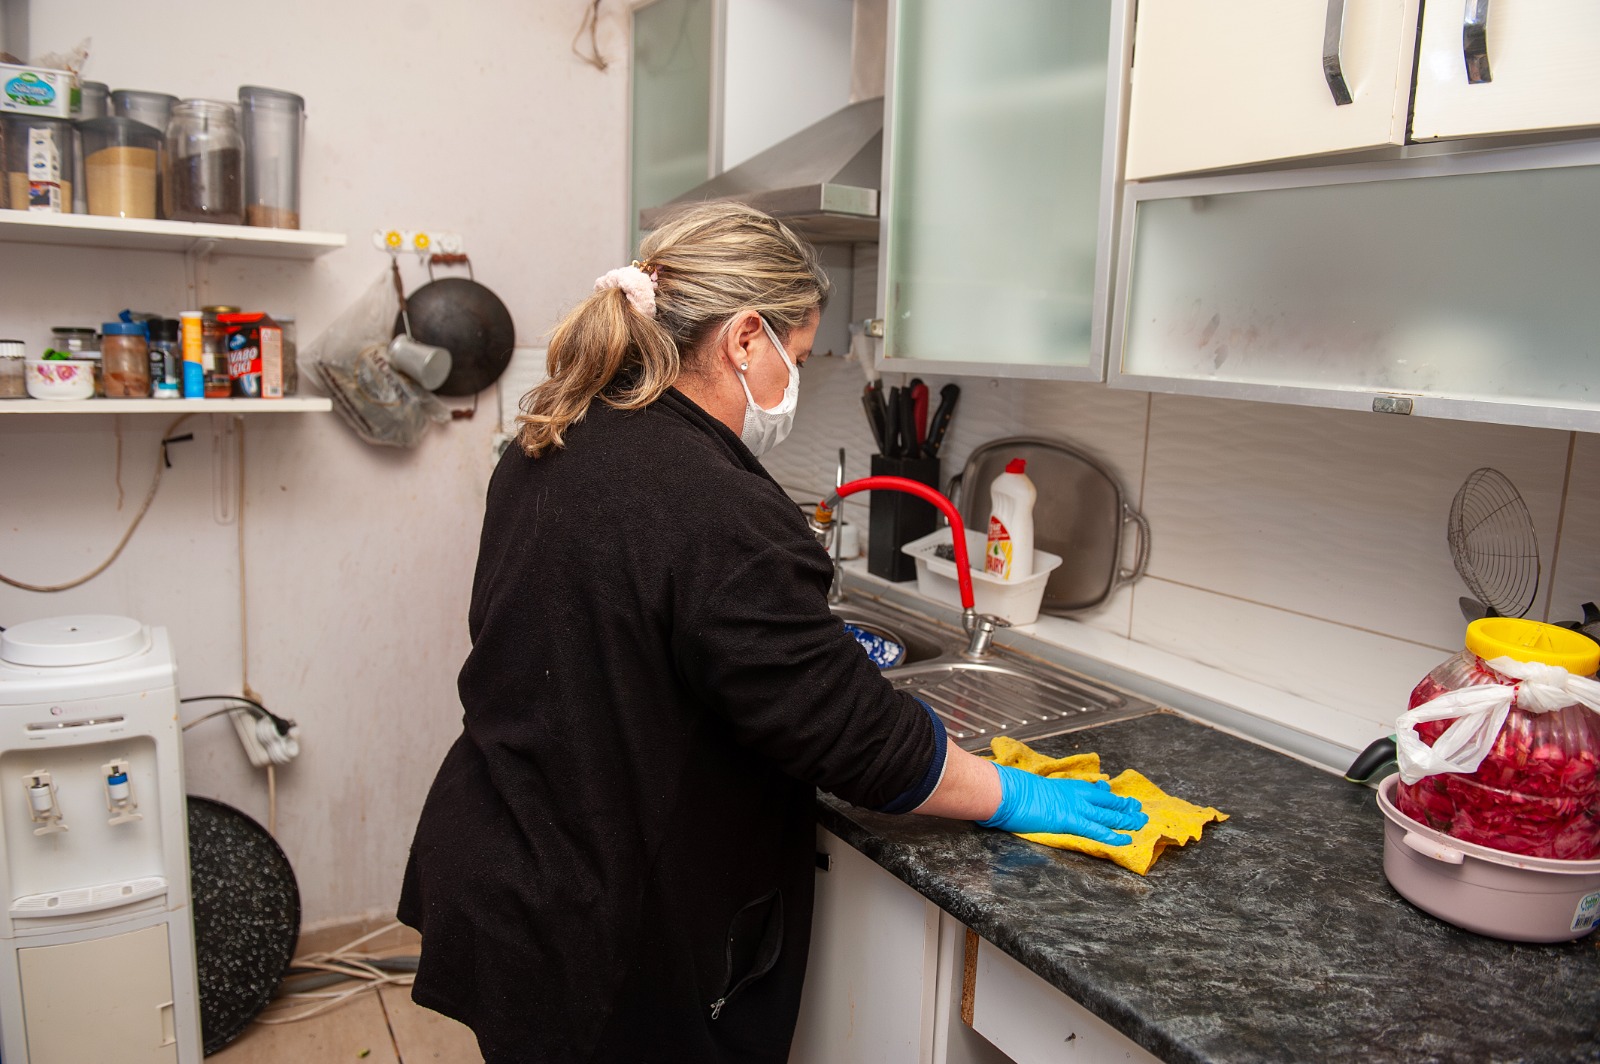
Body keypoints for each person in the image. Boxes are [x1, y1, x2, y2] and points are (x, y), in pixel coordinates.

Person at [398, 202, 1146, 1064]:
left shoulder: (555, 436)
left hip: (507, 856)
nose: (797, 379)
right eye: (799, 355)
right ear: (745, 338)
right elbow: (858, 740)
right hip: (605, 917)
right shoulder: (717, 506)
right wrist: (1013, 795)